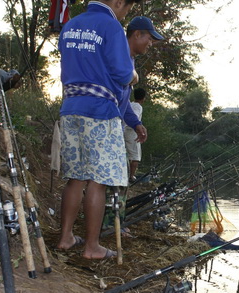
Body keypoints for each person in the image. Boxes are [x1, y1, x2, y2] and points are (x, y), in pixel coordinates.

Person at [55, 0, 141, 260]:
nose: (124, 14)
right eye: (126, 9)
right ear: (117, 2)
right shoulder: (111, 26)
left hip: (70, 107)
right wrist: (134, 76)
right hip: (100, 110)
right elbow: (123, 73)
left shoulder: (70, 25)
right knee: (98, 180)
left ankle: (66, 237)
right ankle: (92, 247)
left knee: (76, 177)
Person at [121, 16, 164, 182]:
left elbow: (122, 102)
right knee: (101, 183)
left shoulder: (130, 60)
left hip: (116, 127)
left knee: (114, 186)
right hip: (103, 123)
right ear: (137, 34)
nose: (151, 44)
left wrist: (136, 124)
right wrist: (134, 77)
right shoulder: (120, 54)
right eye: (150, 39)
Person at [124, 87, 146, 182]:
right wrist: (139, 127)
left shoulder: (130, 104)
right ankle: (131, 176)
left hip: (123, 130)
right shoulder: (138, 106)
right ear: (143, 98)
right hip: (132, 131)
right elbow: (135, 116)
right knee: (135, 156)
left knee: (127, 154)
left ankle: (126, 174)